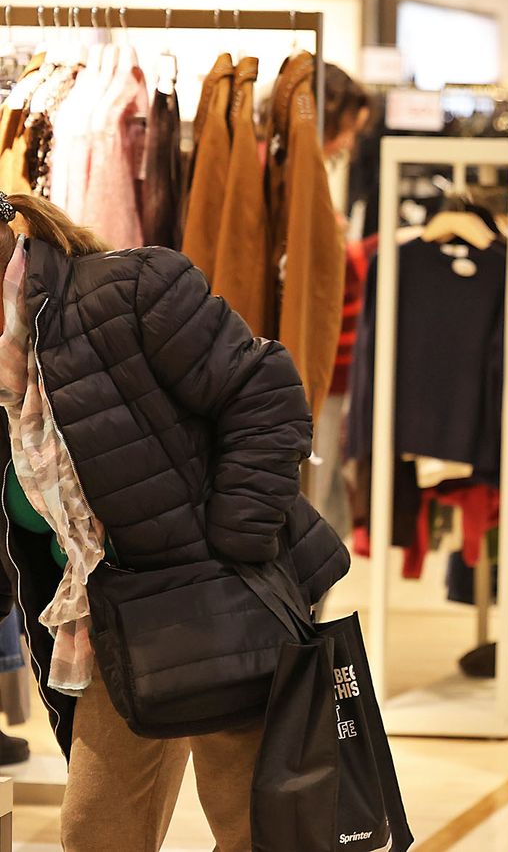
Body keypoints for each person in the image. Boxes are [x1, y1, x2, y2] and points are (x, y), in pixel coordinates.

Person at [0, 193, 348, 852]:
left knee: (262, 827)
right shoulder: (6, 365)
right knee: (97, 833)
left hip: (224, 609)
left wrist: (232, 544)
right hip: (110, 622)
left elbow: (266, 394)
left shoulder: (127, 287)